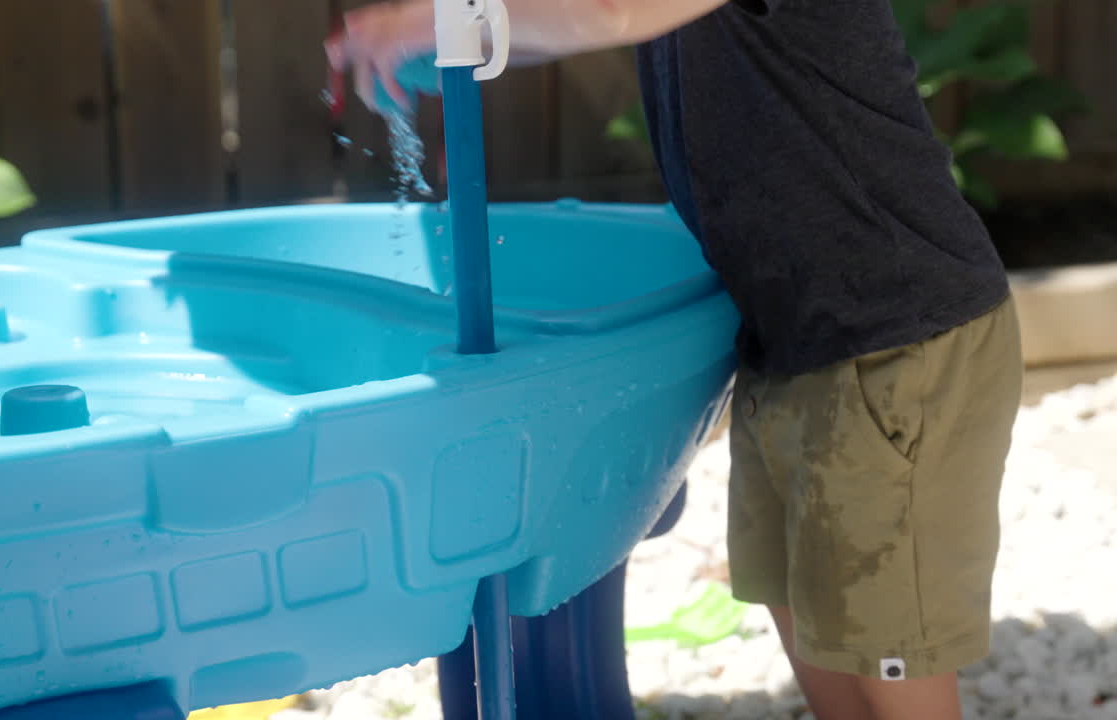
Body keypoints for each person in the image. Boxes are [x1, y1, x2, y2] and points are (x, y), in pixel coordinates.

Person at [327, 2, 1023, 718]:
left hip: (897, 342)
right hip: (792, 342)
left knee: (886, 657)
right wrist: (453, 30)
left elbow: (611, 13)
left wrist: (437, 19)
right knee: (820, 632)